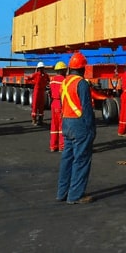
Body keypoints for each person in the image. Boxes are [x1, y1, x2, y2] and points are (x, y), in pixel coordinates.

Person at [56, 52, 96, 204]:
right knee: (81, 159)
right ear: (82, 68)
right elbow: (87, 108)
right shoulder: (82, 83)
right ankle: (75, 195)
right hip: (79, 124)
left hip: (66, 123)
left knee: (67, 159)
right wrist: (92, 130)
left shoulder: (65, 82)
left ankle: (62, 193)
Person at [49, 61, 67, 152]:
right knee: (61, 126)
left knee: (54, 125)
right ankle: (61, 146)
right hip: (60, 103)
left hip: (53, 103)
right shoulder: (64, 80)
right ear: (63, 70)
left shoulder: (52, 80)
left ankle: (53, 146)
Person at [26, 61, 49, 125]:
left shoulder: (45, 75)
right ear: (38, 68)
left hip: (42, 92)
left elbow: (48, 80)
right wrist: (30, 81)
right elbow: (29, 78)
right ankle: (34, 120)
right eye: (40, 68)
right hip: (37, 91)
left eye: (42, 68)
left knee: (41, 106)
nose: (41, 69)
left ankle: (40, 120)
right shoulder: (36, 74)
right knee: (35, 105)